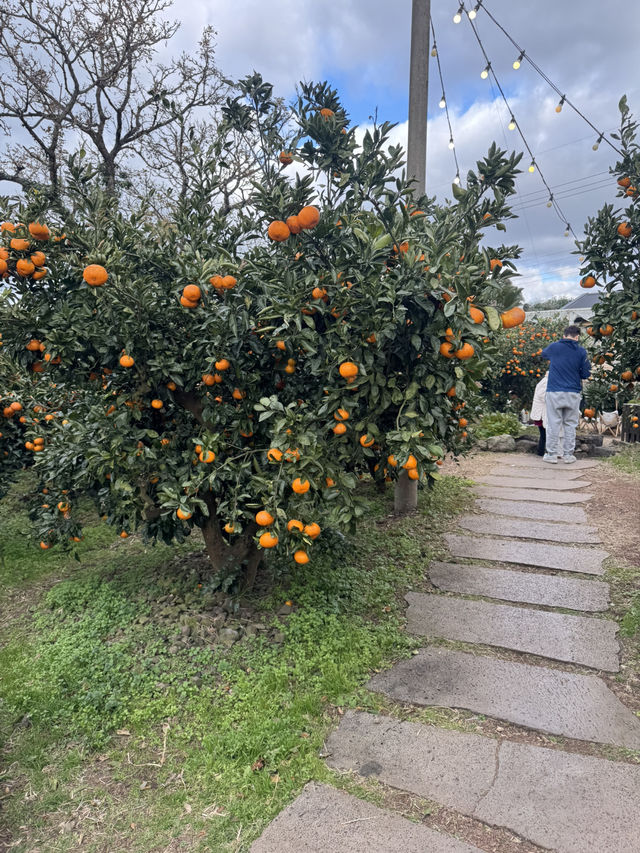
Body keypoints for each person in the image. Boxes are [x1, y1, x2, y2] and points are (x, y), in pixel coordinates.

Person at [541, 325, 591, 464]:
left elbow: (543, 354)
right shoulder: (582, 351)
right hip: (573, 392)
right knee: (570, 424)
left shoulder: (554, 347)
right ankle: (568, 455)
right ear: (577, 337)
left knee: (553, 423)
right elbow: (586, 373)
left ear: (564, 335)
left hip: (554, 391)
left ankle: (551, 454)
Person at [530, 372, 548, 456]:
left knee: (544, 434)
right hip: (541, 413)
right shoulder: (546, 382)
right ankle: (541, 452)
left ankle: (541, 451)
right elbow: (542, 395)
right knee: (544, 434)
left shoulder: (544, 381)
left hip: (541, 412)